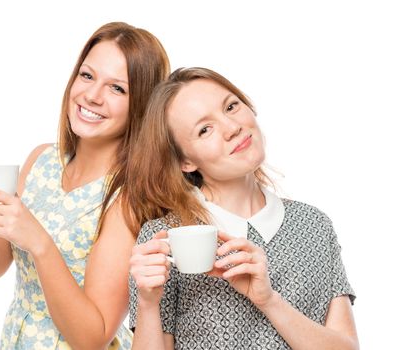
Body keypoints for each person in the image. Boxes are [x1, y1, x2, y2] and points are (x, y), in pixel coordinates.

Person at [0, 22, 170, 349]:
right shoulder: (41, 160)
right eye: (87, 76)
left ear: (142, 105)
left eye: (117, 88)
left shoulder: (127, 196)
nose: (92, 95)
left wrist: (40, 243)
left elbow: (92, 338)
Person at [124, 67, 358, 349]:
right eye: (204, 129)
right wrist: (148, 304)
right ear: (186, 162)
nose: (232, 127)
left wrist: (268, 300)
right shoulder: (165, 239)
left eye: (231, 106)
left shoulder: (313, 224)